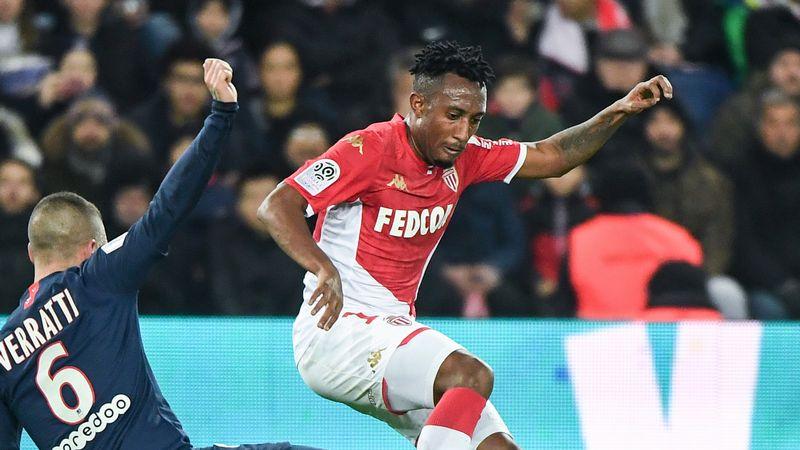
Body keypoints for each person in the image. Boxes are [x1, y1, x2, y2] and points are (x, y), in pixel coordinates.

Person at [258, 41, 672, 449]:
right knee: (470, 375)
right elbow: (277, 205)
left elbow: (553, 156)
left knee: (496, 446)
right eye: (453, 116)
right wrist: (322, 267)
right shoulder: (369, 148)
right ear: (418, 104)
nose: (462, 133)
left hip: (392, 335)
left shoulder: (466, 156)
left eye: (474, 120)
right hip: (338, 331)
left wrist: (620, 110)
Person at [0, 58, 320, 450]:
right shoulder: (97, 277)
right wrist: (220, 115)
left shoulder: (2, 354)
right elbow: (167, 207)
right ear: (93, 249)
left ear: (31, 252)